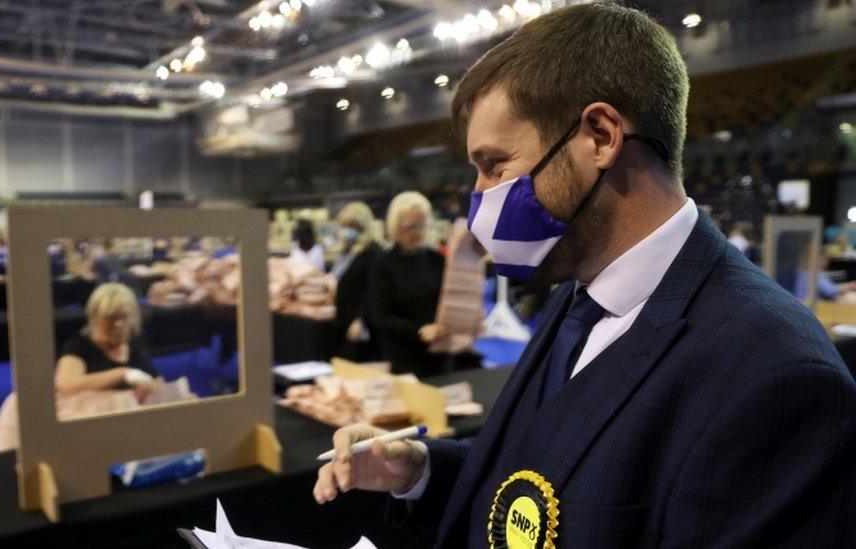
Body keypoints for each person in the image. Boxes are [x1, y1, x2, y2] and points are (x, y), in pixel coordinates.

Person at [314, 4, 856, 547]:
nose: (478, 195)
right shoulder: (577, 297)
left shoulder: (777, 375)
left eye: (494, 165)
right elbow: (547, 473)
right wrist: (419, 469)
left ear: (600, 136)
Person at [370, 191, 448, 375]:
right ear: (395, 226)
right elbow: (381, 316)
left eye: (422, 225)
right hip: (403, 357)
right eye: (409, 226)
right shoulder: (383, 264)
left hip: (439, 353)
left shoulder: (436, 259)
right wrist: (419, 330)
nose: (417, 232)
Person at [55, 283, 161, 401]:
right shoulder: (78, 346)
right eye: (110, 318)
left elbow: (157, 383)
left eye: (124, 317)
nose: (118, 324)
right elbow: (66, 386)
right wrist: (122, 374)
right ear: (94, 318)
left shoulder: (134, 348)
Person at [331, 202, 383, 362]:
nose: (346, 230)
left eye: (351, 226)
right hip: (345, 321)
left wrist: (361, 319)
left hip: (363, 327)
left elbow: (373, 290)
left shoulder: (372, 252)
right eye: (344, 225)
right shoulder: (347, 251)